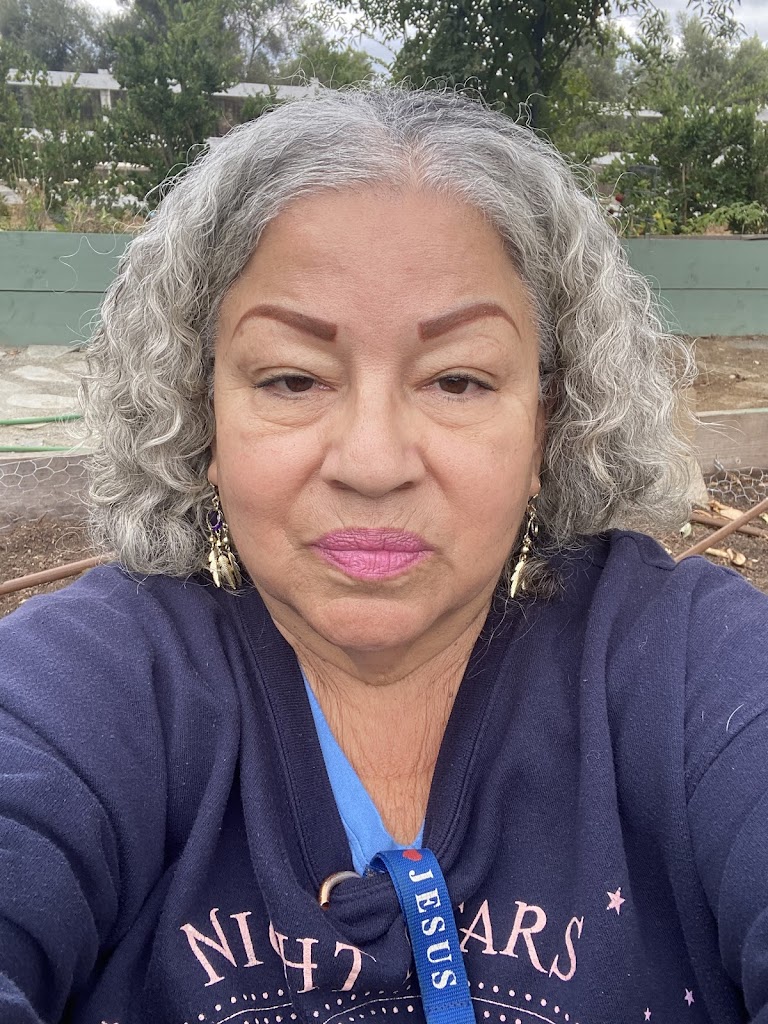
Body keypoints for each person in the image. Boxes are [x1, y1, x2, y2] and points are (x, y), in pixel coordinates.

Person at [1, 85, 766, 1024]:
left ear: (547, 423)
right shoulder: (84, 692)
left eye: (457, 380)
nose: (372, 464)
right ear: (204, 418)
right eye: (292, 378)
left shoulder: (692, 673)